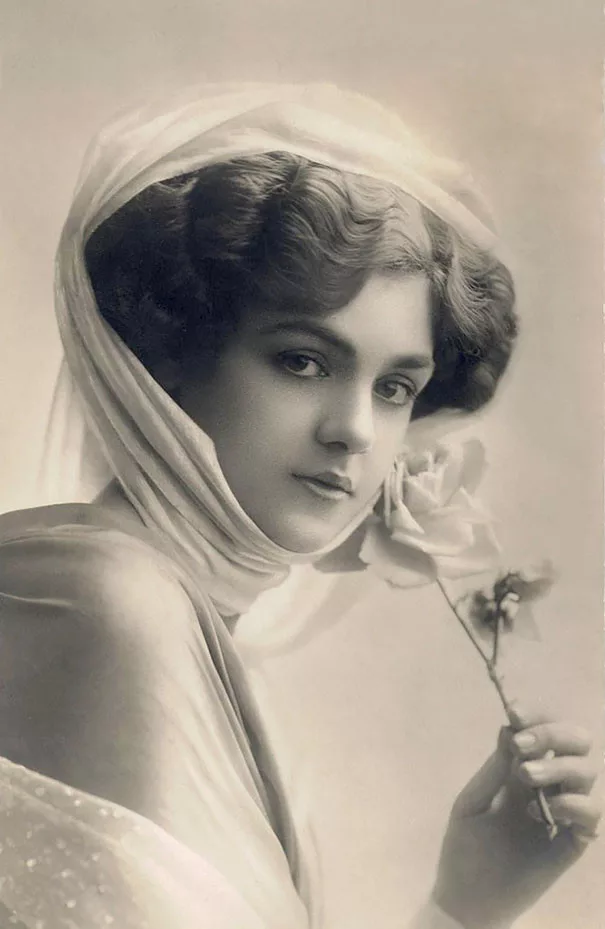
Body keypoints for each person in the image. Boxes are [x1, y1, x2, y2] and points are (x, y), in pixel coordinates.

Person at [0, 83, 599, 929]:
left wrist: (467, 901)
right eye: (302, 362)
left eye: (394, 387)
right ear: (174, 352)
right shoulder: (106, 605)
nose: (354, 430)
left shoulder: (184, 618)